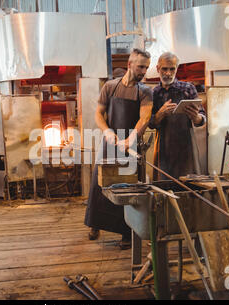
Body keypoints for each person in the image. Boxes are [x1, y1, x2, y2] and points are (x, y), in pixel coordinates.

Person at [84, 48, 153, 249]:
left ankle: (126, 231)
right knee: (100, 184)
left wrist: (131, 137)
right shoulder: (110, 86)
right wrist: (107, 131)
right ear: (130, 64)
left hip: (130, 145)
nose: (144, 71)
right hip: (110, 142)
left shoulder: (145, 91)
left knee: (127, 188)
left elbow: (145, 118)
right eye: (141, 66)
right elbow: (98, 113)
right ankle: (95, 225)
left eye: (147, 67)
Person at [149, 52, 206, 180]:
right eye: (164, 69)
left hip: (186, 148)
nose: (168, 73)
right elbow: (151, 124)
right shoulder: (154, 93)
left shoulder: (188, 88)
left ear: (177, 69)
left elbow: (202, 119)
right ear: (158, 69)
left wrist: (195, 117)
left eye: (172, 69)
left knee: (189, 187)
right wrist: (160, 113)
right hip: (163, 149)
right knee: (164, 188)